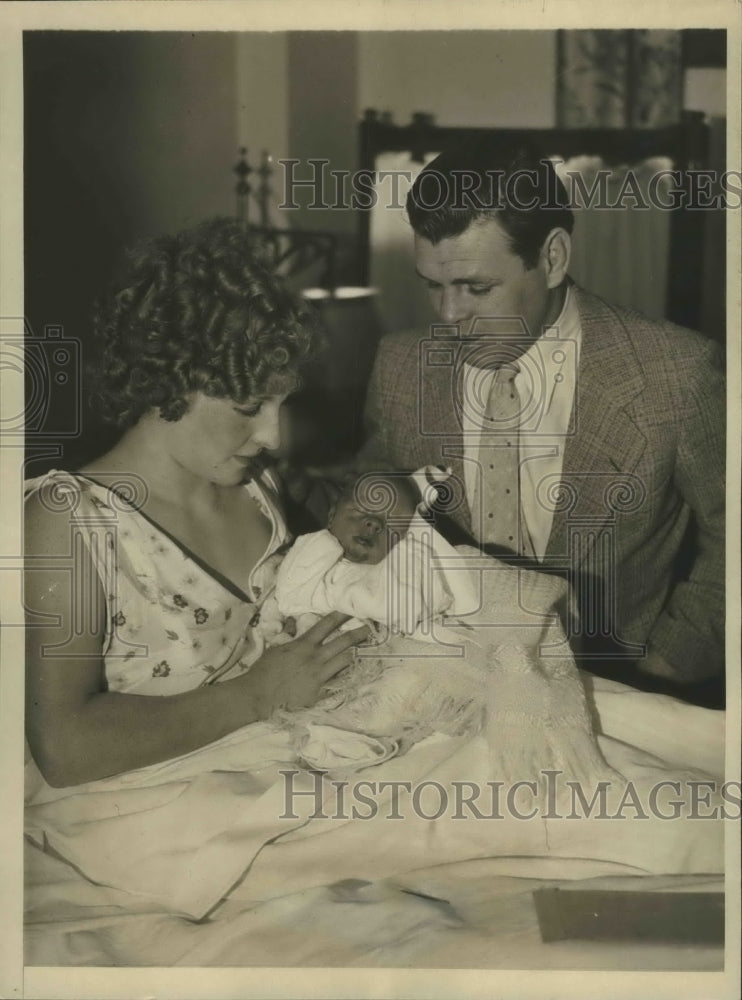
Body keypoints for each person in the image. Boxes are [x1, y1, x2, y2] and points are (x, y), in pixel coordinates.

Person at [358, 136, 725, 704]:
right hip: (442, 693)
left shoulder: (676, 372)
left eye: (476, 288)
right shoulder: (401, 364)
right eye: (433, 285)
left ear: (552, 258)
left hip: (617, 696)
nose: (449, 315)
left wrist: (667, 666)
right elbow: (377, 491)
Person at [23, 218, 369, 789]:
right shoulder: (65, 522)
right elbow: (62, 747)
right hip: (147, 814)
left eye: (281, 404)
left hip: (289, 776)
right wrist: (257, 694)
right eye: (250, 406)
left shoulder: (260, 486)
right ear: (172, 379)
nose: (273, 437)